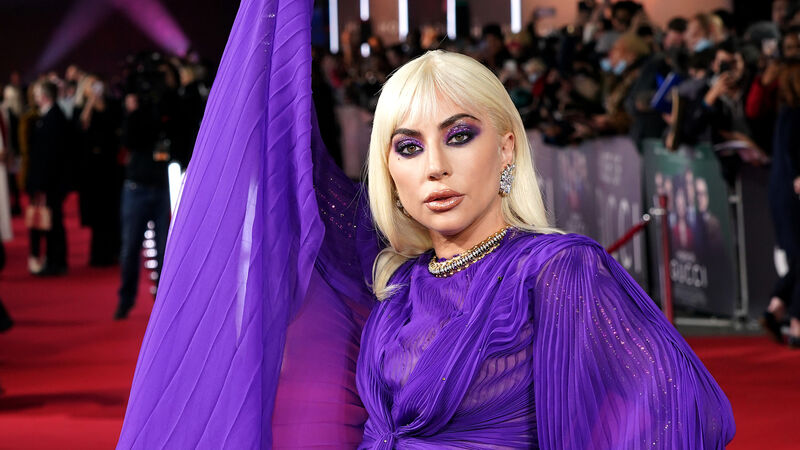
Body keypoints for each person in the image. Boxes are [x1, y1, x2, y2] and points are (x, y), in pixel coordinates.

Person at [117, 1, 735, 448]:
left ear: (508, 147)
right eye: (408, 147)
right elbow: (282, 172)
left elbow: (672, 415)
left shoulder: (555, 270)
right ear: (388, 171)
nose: (434, 166)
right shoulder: (397, 285)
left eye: (459, 136)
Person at [26, 81, 69, 276]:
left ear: (45, 96)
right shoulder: (48, 116)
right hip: (50, 181)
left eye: (37, 93)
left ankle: (56, 262)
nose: (34, 97)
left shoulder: (54, 118)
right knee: (52, 222)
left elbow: (51, 156)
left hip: (52, 183)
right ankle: (53, 261)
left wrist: (41, 185)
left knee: (54, 222)